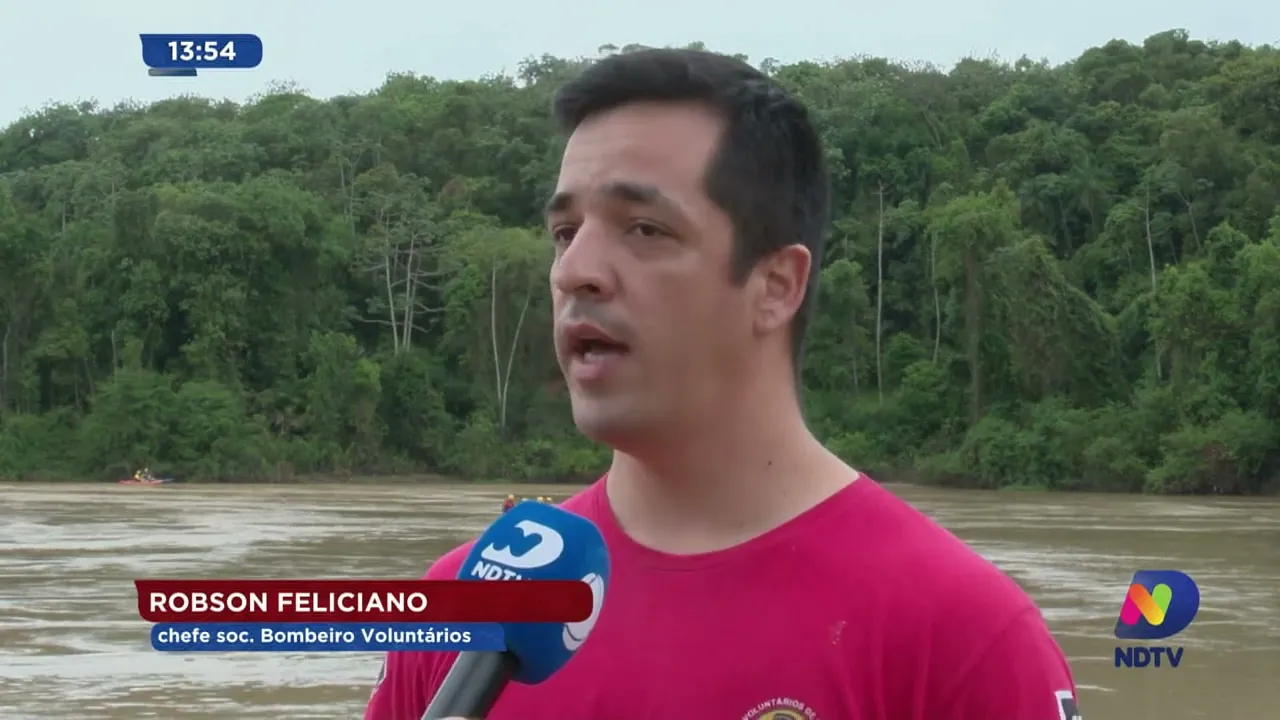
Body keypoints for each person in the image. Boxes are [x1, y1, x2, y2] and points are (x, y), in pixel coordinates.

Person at [367, 48, 1080, 720]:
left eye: (644, 229)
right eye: (564, 231)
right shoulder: (461, 609)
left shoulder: (959, 636)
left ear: (775, 285)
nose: (573, 271)